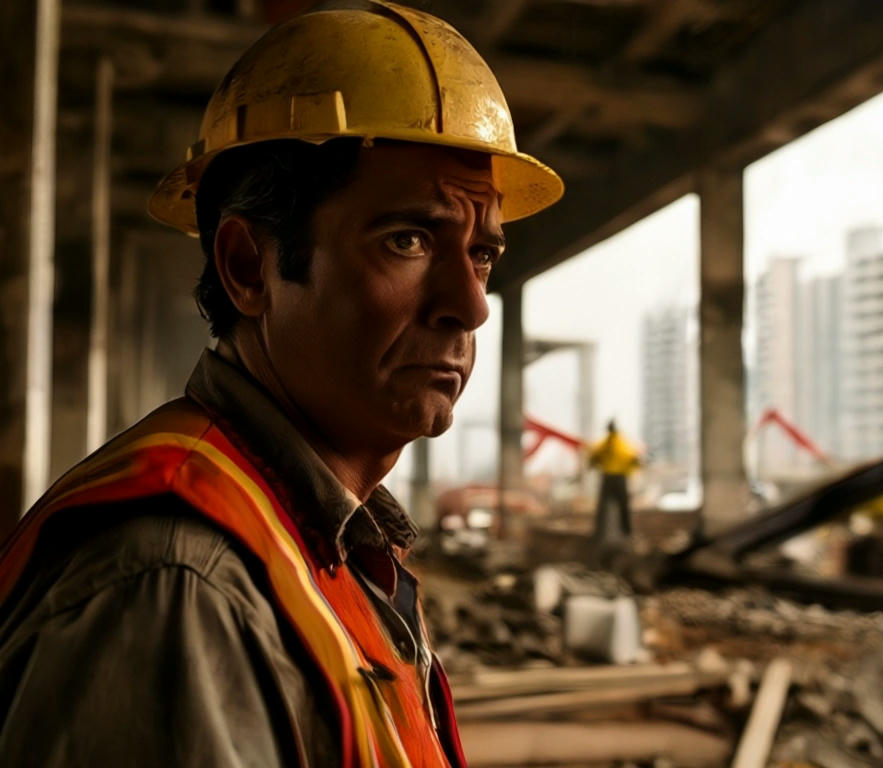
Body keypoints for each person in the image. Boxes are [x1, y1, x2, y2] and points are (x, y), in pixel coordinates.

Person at [0, 3, 562, 766]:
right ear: (248, 267)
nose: (469, 306)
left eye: (483, 254)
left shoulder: (324, 545)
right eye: (409, 239)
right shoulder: (178, 585)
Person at [589, 420, 642, 549]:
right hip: (619, 478)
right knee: (623, 505)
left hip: (608, 477)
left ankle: (600, 531)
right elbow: (633, 458)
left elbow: (594, 457)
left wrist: (595, 463)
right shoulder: (621, 443)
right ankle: (626, 531)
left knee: (603, 507)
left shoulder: (607, 443)